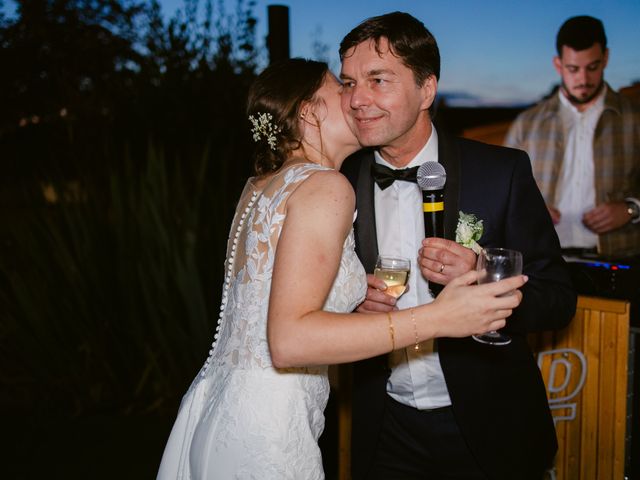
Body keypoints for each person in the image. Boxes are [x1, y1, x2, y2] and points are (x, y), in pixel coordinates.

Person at [156, 58, 527, 479]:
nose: (356, 99)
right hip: (271, 430)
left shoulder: (264, 183)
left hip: (223, 407)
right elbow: (290, 340)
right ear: (309, 111)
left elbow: (268, 301)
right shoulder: (326, 185)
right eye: (341, 88)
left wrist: (348, 299)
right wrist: (440, 317)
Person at [338, 12, 577, 480]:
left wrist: (485, 275)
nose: (357, 100)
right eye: (348, 83)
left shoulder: (501, 172)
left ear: (427, 90)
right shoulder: (339, 182)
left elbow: (558, 299)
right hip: (385, 426)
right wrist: (350, 305)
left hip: (489, 426)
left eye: (377, 80)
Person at [505, 15, 640, 258]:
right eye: (573, 69)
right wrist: (529, 210)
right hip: (543, 260)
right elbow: (501, 196)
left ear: (606, 59)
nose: (583, 79)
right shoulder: (527, 124)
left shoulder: (635, 118)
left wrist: (631, 209)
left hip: (619, 258)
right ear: (558, 64)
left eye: (593, 67)